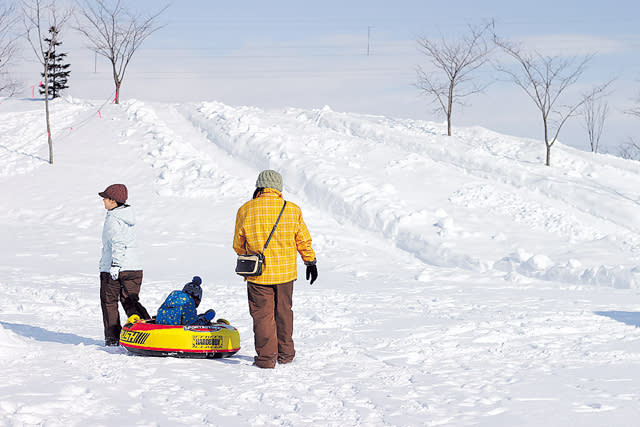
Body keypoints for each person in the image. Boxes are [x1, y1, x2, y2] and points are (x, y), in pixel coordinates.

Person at [233, 169, 318, 368]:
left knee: (263, 315)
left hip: (258, 275)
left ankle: (266, 359)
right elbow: (303, 240)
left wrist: (251, 250)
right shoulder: (292, 209)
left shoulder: (246, 209)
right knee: (284, 312)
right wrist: (310, 262)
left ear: (259, 186)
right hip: (286, 274)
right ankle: (286, 354)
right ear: (278, 188)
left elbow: (238, 244)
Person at [99, 184, 150, 346]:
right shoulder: (128, 216)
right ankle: (148, 333)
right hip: (134, 267)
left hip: (115, 268)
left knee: (109, 302)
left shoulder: (113, 218)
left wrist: (115, 264)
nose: (103, 202)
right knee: (131, 301)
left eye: (105, 198)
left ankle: (113, 339)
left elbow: (118, 242)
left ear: (113, 201)